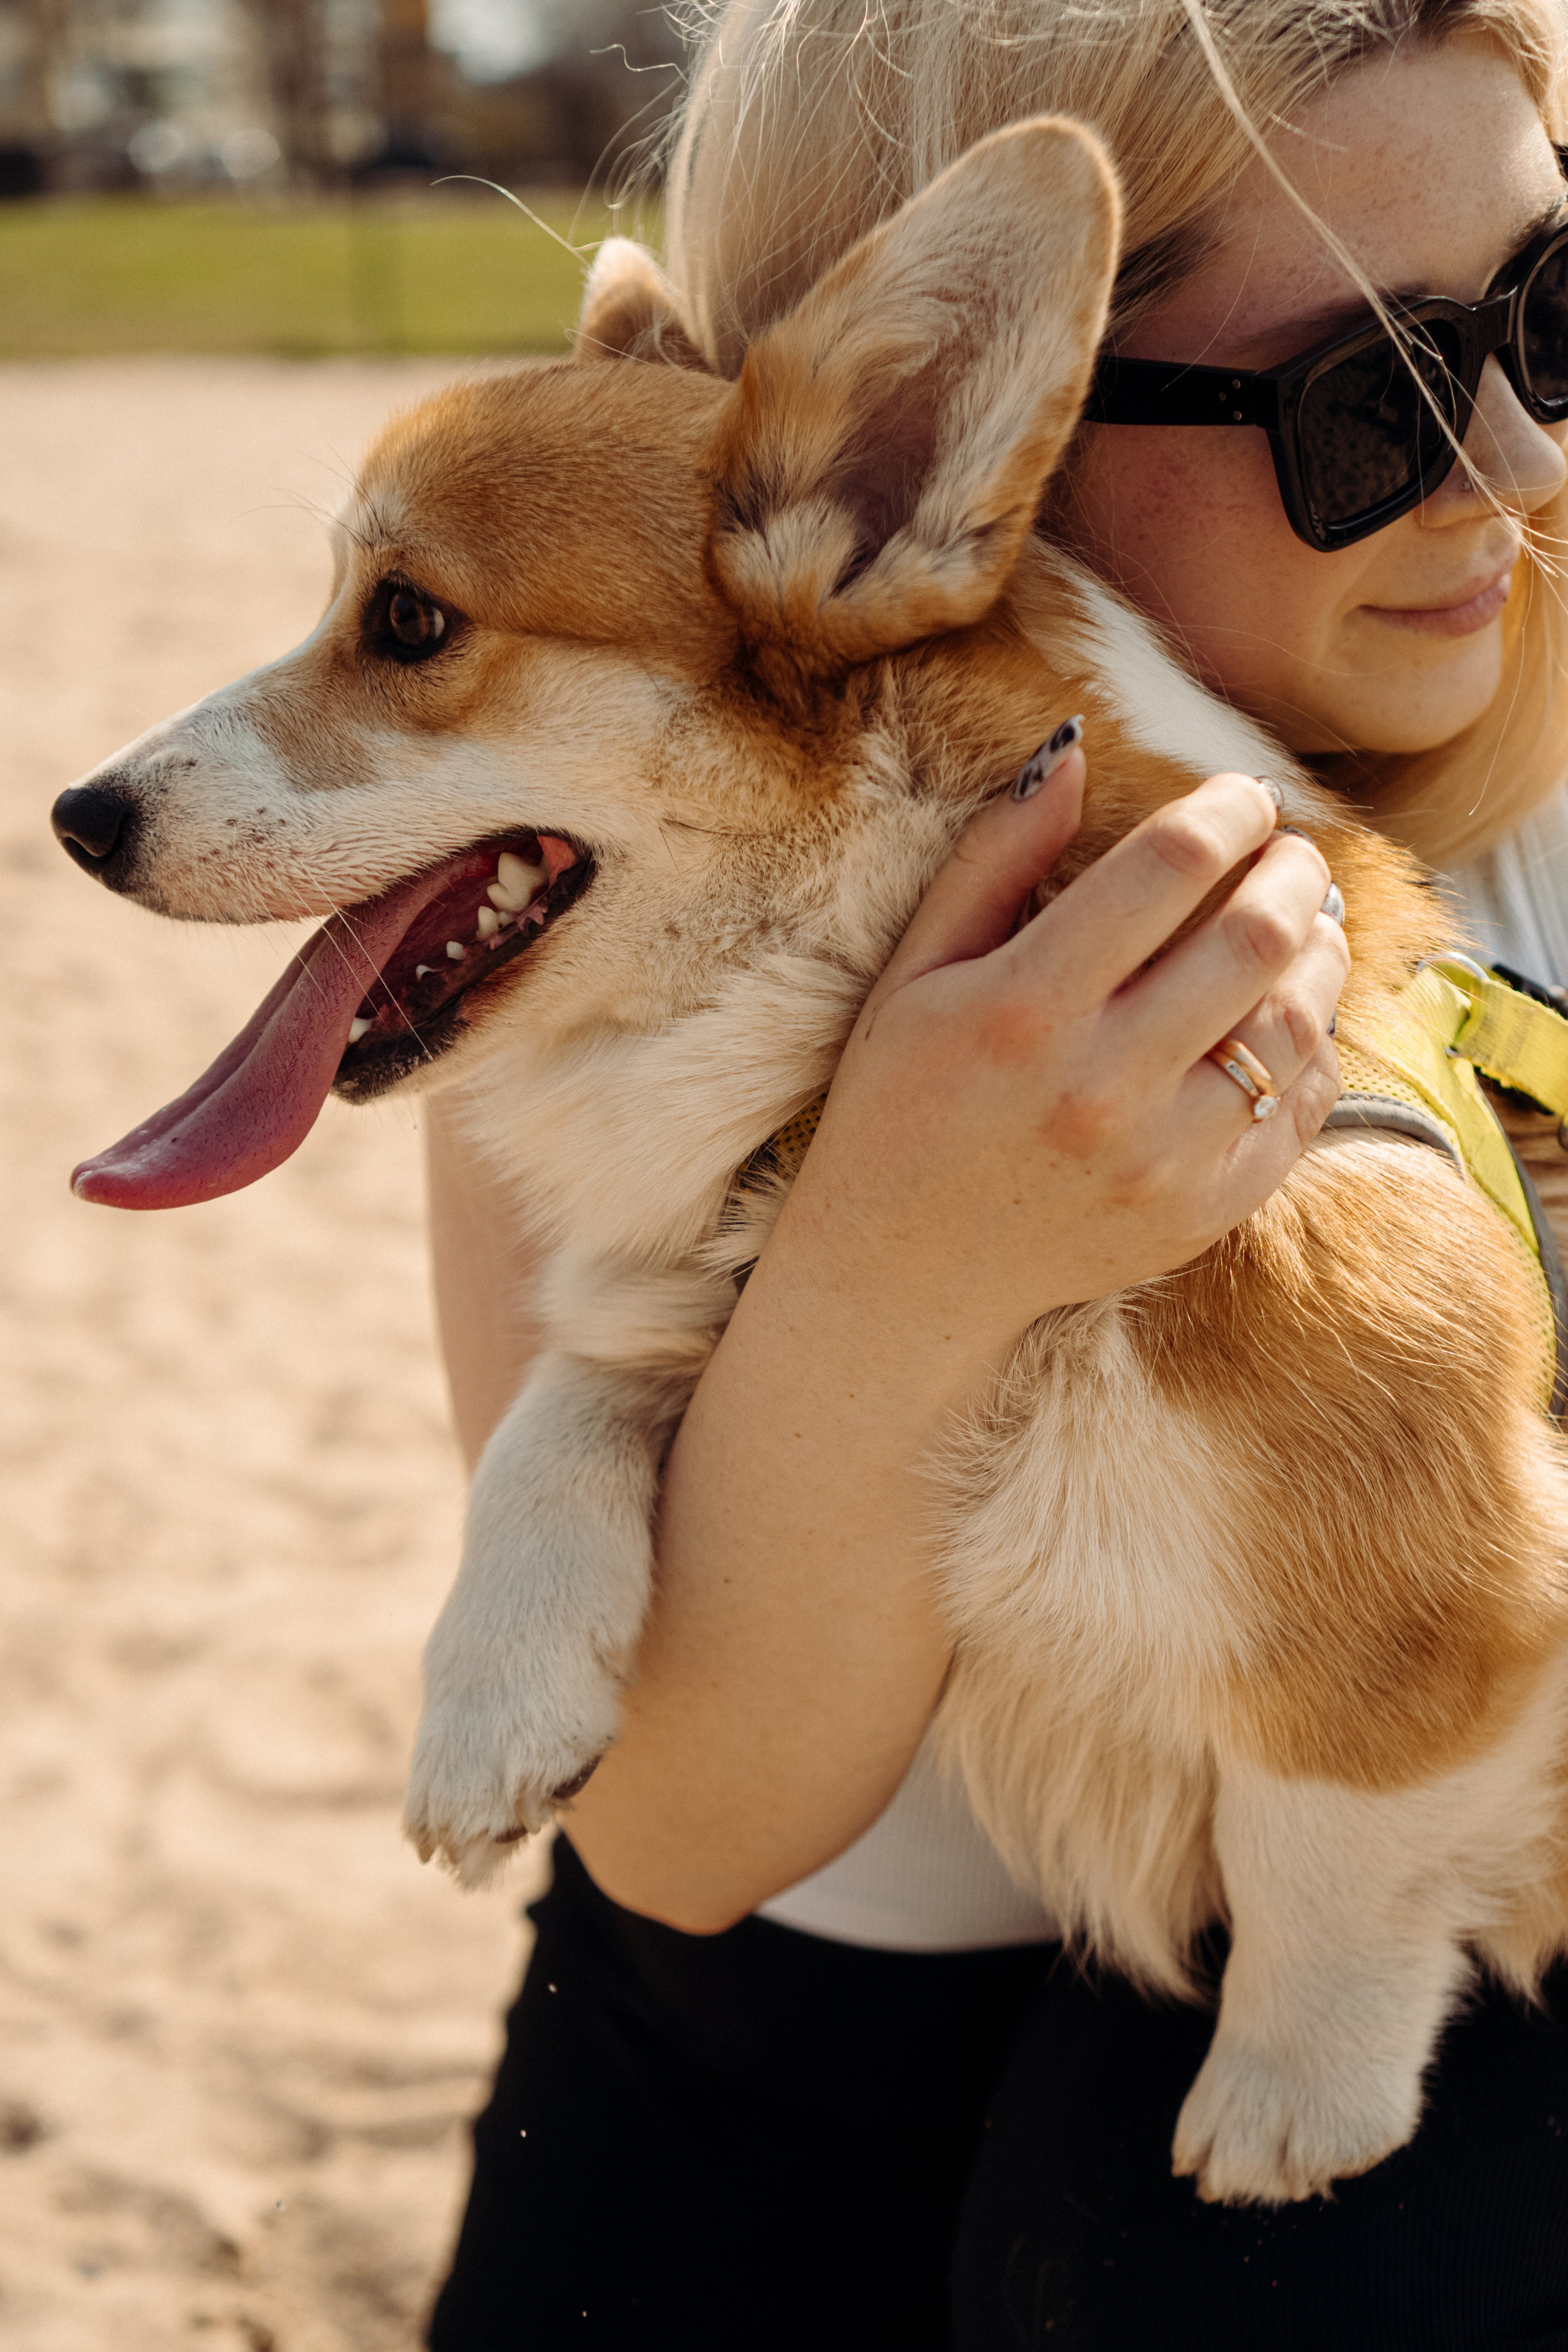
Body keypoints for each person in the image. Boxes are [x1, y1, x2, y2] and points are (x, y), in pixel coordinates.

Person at [423, 3, 1568, 2343]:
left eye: (1556, 312)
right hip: (775, 2059)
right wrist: (894, 1263)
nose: (1521, 458)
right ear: (962, 423)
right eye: (1370, 395)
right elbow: (681, 1836)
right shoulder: (609, 922)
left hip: (1375, 1976)